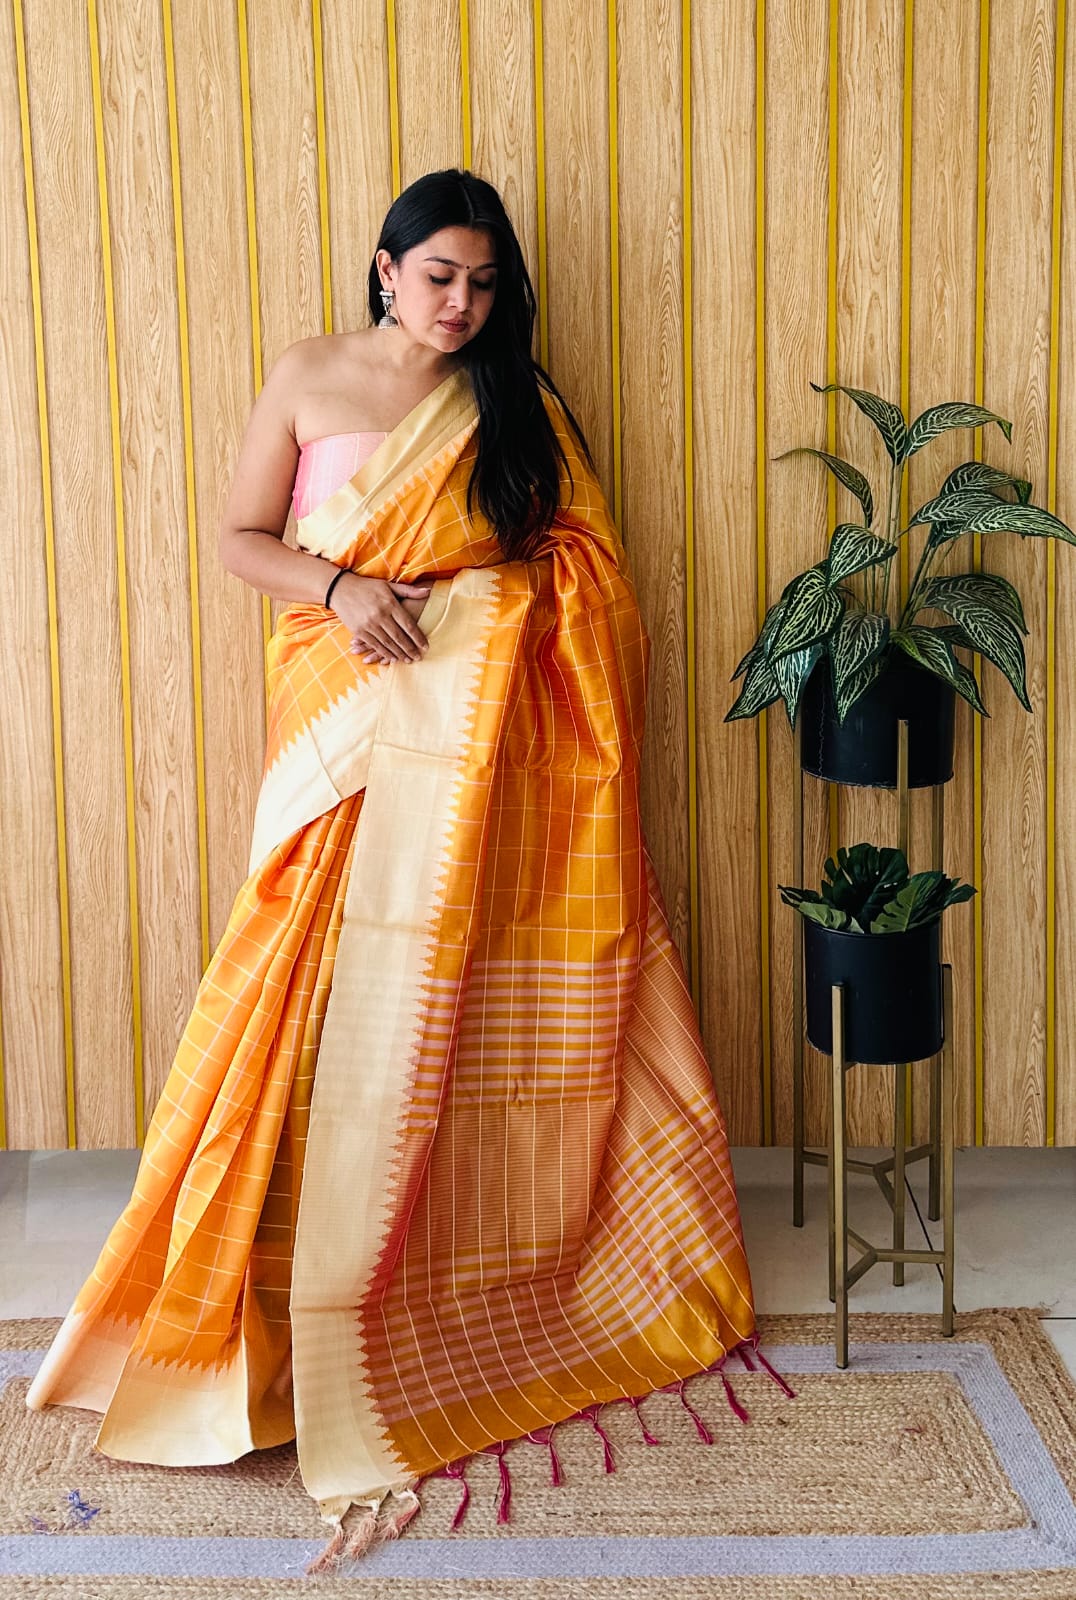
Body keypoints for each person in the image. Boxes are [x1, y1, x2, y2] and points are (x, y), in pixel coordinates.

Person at [27, 170, 757, 1561]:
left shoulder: (515, 405)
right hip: (337, 731)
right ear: (385, 267)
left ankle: (405, 1296)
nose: (460, 304)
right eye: (438, 277)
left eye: (483, 284)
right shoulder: (308, 377)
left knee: (433, 1026)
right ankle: (258, 1314)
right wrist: (345, 588)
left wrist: (483, 611)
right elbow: (239, 540)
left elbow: (585, 575)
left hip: (468, 762)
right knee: (296, 1006)